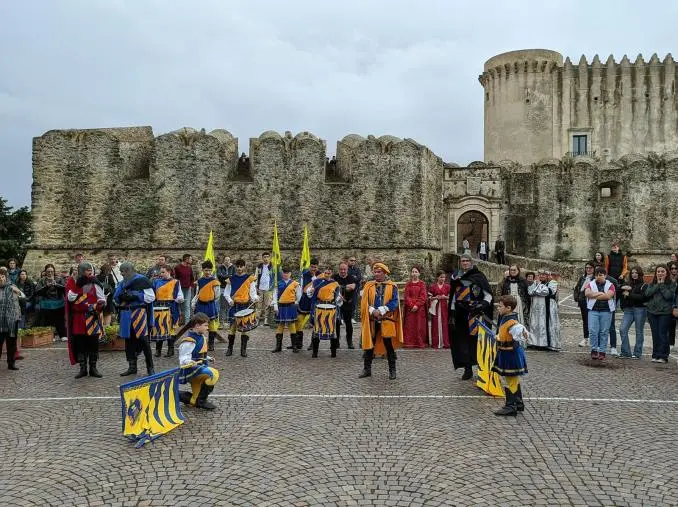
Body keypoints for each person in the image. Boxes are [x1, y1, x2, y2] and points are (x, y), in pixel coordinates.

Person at [447, 254, 493, 380]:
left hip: (475, 315)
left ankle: (482, 370)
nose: (465, 263)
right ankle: (468, 369)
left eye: (467, 261)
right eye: (463, 261)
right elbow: (453, 297)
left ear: (471, 262)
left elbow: (488, 295)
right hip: (461, 315)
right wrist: (452, 314)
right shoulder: (456, 276)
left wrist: (481, 305)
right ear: (460, 262)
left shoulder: (479, 276)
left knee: (477, 342)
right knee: (463, 343)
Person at [359, 262, 403, 380]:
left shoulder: (392, 286)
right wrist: (373, 310)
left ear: (384, 273)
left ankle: (392, 370)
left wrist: (382, 310)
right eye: (375, 272)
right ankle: (367, 369)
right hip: (372, 320)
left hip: (386, 320)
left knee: (389, 346)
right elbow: (364, 302)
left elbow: (394, 302)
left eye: (379, 272)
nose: (377, 274)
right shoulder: (369, 286)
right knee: (369, 345)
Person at [114, 262, 156, 376]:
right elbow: (116, 299)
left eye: (123, 271)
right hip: (126, 314)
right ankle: (132, 367)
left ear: (129, 270)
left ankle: (150, 367)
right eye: (121, 271)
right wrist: (121, 297)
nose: (122, 274)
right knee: (129, 341)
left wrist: (136, 296)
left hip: (139, 312)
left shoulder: (142, 280)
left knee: (143, 340)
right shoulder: (122, 283)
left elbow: (151, 297)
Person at [65, 262, 106, 378]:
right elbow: (70, 298)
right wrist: (78, 286)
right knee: (81, 344)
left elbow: (102, 299)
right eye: (88, 270)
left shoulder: (95, 283)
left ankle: (93, 368)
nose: (90, 272)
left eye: (91, 270)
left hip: (92, 317)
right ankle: (83, 369)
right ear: (82, 271)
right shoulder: (74, 283)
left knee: (93, 344)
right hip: (79, 318)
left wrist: (98, 307)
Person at [492, 295, 528, 416]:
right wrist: (498, 337)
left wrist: (523, 333)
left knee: (510, 379)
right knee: (512, 379)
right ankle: (518, 403)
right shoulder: (505, 318)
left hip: (511, 354)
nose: (498, 308)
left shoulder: (512, 321)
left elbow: (520, 331)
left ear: (508, 308)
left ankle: (511, 406)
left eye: (500, 306)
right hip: (506, 353)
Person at [177, 313, 219, 410]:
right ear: (197, 326)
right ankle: (202, 401)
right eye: (205, 325)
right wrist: (189, 362)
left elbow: (198, 354)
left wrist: (208, 358)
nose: (207, 328)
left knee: (193, 401)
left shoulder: (202, 337)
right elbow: (183, 358)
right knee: (213, 374)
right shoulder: (189, 341)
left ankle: (178, 395)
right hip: (193, 370)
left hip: (200, 368)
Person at [224, 259, 259, 357]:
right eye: (238, 266)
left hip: (245, 306)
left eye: (241, 266)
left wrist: (255, 298)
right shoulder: (231, 279)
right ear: (236, 267)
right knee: (233, 327)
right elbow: (226, 293)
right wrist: (229, 300)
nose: (239, 268)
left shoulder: (249, 278)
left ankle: (243, 350)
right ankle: (229, 349)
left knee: (245, 328)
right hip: (234, 305)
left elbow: (252, 292)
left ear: (244, 267)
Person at [308, 266, 342, 358]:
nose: (327, 275)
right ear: (323, 273)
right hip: (319, 307)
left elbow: (338, 299)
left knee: (332, 330)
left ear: (331, 274)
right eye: (326, 273)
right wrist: (311, 291)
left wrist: (339, 299)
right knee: (317, 330)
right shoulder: (317, 282)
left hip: (331, 308)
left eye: (329, 273)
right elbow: (310, 294)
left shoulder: (335, 284)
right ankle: (315, 352)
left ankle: (333, 352)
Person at [644, 265, 676, 363]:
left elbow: (668, 296)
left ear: (666, 273)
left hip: (665, 312)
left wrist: (661, 285)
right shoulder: (652, 283)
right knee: (655, 334)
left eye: (662, 271)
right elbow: (647, 294)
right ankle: (655, 354)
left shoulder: (672, 284)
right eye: (658, 272)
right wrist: (657, 284)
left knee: (663, 334)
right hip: (652, 312)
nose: (660, 273)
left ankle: (663, 356)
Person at [152, 265, 184, 357]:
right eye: (160, 272)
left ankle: (171, 350)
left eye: (163, 272)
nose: (161, 274)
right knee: (159, 328)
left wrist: (177, 299)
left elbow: (180, 295)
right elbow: (152, 295)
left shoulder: (175, 282)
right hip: (158, 308)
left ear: (169, 272)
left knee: (171, 329)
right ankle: (158, 350)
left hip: (171, 308)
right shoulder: (156, 282)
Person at [585, 267, 616, 360]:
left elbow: (608, 296)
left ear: (605, 276)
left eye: (601, 275)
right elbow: (587, 294)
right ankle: (594, 349)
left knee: (604, 332)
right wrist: (600, 293)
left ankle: (602, 351)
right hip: (593, 310)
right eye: (597, 275)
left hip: (606, 311)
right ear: (595, 276)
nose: (599, 277)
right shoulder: (590, 284)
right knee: (593, 331)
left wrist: (594, 295)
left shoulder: (611, 285)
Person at [527, 270, 562, 351]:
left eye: (544, 275)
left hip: (548, 307)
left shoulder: (553, 283)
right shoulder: (537, 283)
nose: (542, 276)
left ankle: (547, 343)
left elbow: (547, 292)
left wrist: (537, 289)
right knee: (536, 324)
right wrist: (536, 288)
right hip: (537, 308)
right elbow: (530, 292)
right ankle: (536, 343)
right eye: (540, 275)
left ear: (547, 276)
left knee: (547, 324)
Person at [619, 266, 647, 359]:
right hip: (628, 310)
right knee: (622, 329)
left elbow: (642, 297)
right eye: (632, 273)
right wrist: (623, 287)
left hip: (640, 309)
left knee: (639, 331)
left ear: (640, 274)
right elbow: (618, 289)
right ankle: (626, 352)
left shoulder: (644, 285)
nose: (634, 274)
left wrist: (629, 294)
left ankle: (637, 353)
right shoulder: (628, 283)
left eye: (636, 273)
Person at [192, 260, 221, 352]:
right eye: (206, 270)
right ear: (202, 270)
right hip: (200, 305)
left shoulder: (215, 281)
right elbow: (197, 293)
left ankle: (211, 344)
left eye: (209, 270)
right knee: (199, 324)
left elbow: (217, 295)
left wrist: (210, 299)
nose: (208, 272)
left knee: (211, 325)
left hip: (210, 305)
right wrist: (194, 302)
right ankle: (199, 343)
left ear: (212, 270)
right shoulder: (199, 281)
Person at [34, 264, 67, 341]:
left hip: (58, 302)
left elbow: (65, 289)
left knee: (60, 320)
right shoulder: (41, 280)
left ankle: (63, 335)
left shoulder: (59, 279)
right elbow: (37, 292)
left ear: (54, 271)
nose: (50, 273)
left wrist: (57, 285)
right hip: (46, 303)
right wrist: (46, 286)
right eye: (48, 271)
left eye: (52, 271)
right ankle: (50, 336)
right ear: (45, 272)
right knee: (48, 320)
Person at [272, 266, 301, 353]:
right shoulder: (278, 283)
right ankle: (278, 347)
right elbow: (275, 296)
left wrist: (296, 303)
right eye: (284, 273)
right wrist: (275, 307)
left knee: (292, 325)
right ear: (282, 274)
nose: (286, 275)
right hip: (280, 307)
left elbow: (299, 295)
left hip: (291, 306)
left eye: (287, 273)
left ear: (290, 274)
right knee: (280, 326)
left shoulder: (295, 283)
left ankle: (294, 346)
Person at [293, 258, 319, 351]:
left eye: (315, 267)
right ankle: (298, 343)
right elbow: (302, 289)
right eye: (312, 267)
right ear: (309, 266)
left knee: (315, 323)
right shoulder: (304, 275)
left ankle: (313, 343)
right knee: (299, 321)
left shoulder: (321, 275)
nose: (313, 269)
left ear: (317, 267)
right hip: (304, 301)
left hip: (315, 301)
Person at [0, 268, 22, 370]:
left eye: (2, 276)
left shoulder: (12, 287)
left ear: (6, 277)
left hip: (12, 320)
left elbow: (23, 297)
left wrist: (18, 292)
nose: (1, 278)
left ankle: (11, 363)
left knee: (11, 343)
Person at [333, 261, 358, 349]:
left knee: (348, 324)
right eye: (341, 269)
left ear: (347, 269)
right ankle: (336, 342)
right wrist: (345, 287)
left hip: (348, 303)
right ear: (338, 269)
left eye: (344, 269)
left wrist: (339, 287)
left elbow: (352, 287)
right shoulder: (334, 277)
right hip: (337, 305)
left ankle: (349, 341)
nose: (343, 271)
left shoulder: (351, 277)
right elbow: (332, 289)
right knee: (337, 323)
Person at [403, 266, 428, 348]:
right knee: (410, 326)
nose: (414, 273)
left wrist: (417, 305)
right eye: (413, 272)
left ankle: (419, 342)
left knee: (419, 326)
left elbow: (423, 296)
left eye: (416, 272)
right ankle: (409, 342)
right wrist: (411, 305)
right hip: (410, 309)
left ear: (419, 273)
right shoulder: (408, 284)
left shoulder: (422, 284)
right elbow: (406, 296)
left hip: (419, 308)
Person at [574, 263, 595, 347]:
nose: (588, 269)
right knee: (585, 321)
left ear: (593, 269)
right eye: (587, 268)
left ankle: (592, 338)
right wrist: (577, 297)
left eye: (590, 268)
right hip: (583, 302)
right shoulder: (582, 278)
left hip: (592, 302)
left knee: (592, 321)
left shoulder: (595, 278)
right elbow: (577, 288)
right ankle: (586, 338)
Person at [428, 271, 450, 349]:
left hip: (444, 307)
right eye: (441, 277)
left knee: (445, 324)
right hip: (436, 307)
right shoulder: (433, 286)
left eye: (444, 277)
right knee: (435, 324)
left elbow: (451, 297)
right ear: (437, 277)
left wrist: (445, 297)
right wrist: (436, 297)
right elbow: (429, 298)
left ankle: (445, 343)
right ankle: (436, 343)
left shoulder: (447, 287)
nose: (442, 279)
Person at [174, 254, 195, 323]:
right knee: (179, 304)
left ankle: (187, 322)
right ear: (186, 259)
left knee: (187, 305)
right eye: (190, 259)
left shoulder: (189, 268)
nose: (191, 260)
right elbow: (175, 278)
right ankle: (178, 321)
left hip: (187, 289)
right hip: (179, 289)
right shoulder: (177, 267)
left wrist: (191, 285)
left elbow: (192, 278)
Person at [255, 252, 275, 327]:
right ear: (262, 258)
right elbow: (256, 276)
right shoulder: (259, 266)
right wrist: (255, 286)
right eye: (264, 257)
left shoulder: (273, 266)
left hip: (269, 288)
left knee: (267, 304)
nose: (266, 258)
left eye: (267, 257)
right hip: (260, 288)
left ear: (269, 258)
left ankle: (266, 319)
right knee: (258, 304)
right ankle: (257, 319)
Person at [217, 255, 235, 327]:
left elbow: (233, 277)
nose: (227, 261)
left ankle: (228, 321)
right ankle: (222, 321)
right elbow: (219, 276)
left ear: (230, 261)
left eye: (228, 260)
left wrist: (225, 276)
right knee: (222, 305)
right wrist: (228, 276)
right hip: (222, 288)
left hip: (230, 288)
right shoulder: (220, 267)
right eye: (226, 260)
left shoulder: (233, 268)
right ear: (224, 261)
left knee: (229, 305)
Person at [347, 256, 362, 324]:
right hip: (346, 288)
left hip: (355, 289)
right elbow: (346, 277)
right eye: (351, 260)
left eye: (354, 261)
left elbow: (359, 278)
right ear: (348, 261)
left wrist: (352, 277)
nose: (353, 262)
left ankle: (352, 317)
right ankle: (342, 318)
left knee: (354, 303)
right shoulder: (345, 268)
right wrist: (353, 277)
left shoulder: (357, 269)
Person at [667, 261, 678, 350]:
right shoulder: (668, 280)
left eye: (675, 268)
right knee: (671, 325)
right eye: (671, 269)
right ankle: (671, 343)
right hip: (669, 306)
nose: (673, 270)